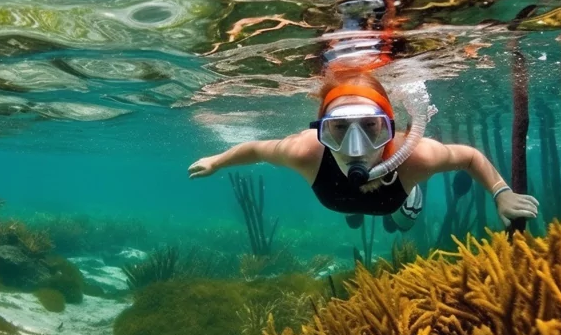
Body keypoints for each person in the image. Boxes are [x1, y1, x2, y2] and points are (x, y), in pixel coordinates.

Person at [187, 69, 539, 231]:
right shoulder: (305, 151)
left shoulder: (416, 155)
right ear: (321, 131)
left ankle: (407, 203)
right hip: (345, 201)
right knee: (352, 216)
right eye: (338, 129)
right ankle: (359, 211)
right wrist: (216, 161)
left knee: (399, 226)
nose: (356, 147)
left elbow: (469, 157)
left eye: (371, 127)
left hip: (394, 199)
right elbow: (257, 149)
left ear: (390, 127)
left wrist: (501, 193)